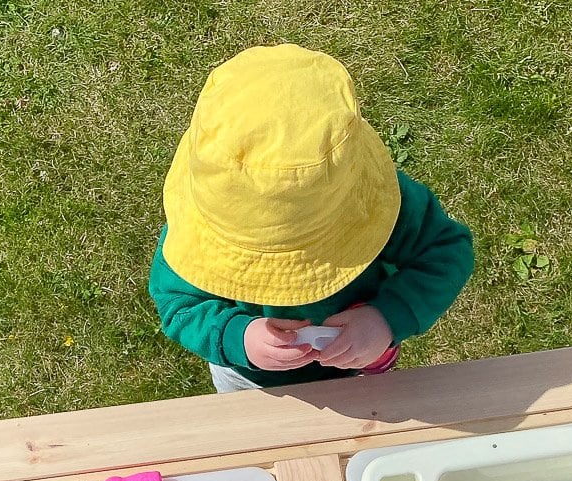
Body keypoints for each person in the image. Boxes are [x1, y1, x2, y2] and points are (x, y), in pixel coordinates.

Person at [149, 44, 474, 392]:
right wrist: (236, 338)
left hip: (359, 357)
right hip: (248, 374)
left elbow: (446, 251)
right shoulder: (197, 227)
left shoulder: (377, 200)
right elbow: (179, 304)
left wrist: (385, 319)